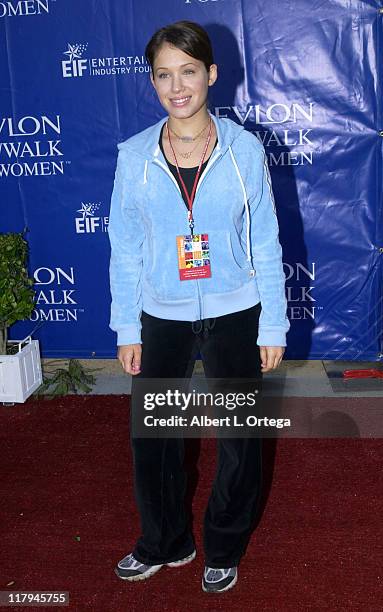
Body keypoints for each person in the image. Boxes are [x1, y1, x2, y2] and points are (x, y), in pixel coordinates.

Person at [108, 20, 290, 594]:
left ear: (211, 74)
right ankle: (165, 543)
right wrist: (125, 325)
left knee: (240, 441)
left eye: (188, 71)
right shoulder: (134, 155)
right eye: (163, 74)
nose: (176, 86)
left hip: (237, 311)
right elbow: (125, 246)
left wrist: (274, 321)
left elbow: (265, 239)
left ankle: (224, 545)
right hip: (161, 312)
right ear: (154, 82)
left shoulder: (244, 149)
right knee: (154, 439)